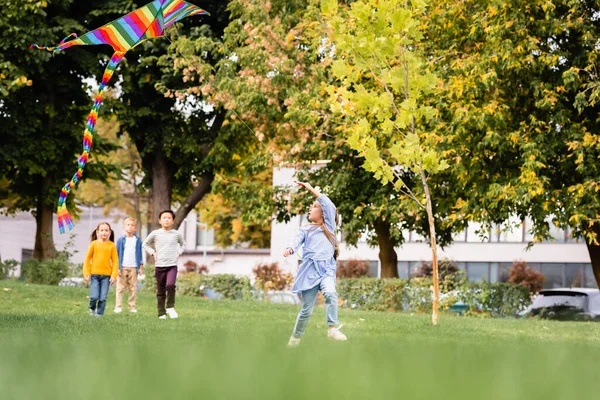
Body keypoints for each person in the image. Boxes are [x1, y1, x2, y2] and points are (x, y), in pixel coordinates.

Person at [284, 181, 347, 347]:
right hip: (309, 272)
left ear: (323, 213)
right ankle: (295, 338)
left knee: (331, 294)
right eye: (311, 207)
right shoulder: (305, 229)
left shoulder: (329, 228)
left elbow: (329, 205)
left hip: (326, 271)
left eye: (314, 206)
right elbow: (296, 240)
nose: (310, 209)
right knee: (306, 310)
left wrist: (311, 189)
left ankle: (332, 328)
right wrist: (290, 248)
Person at [142, 210, 186, 319]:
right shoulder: (155, 233)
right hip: (159, 266)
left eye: (169, 218)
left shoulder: (176, 234)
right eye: (164, 218)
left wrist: (179, 252)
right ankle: (161, 313)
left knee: (170, 285)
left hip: (172, 265)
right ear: (160, 220)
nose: (166, 219)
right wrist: (153, 253)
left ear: (172, 221)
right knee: (161, 290)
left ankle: (170, 306)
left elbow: (183, 244)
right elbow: (145, 244)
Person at [83, 222, 118, 317]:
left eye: (106, 230)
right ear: (97, 232)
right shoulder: (93, 244)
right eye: (102, 230)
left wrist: (114, 275)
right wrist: (86, 273)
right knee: (94, 297)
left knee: (103, 298)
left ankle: (99, 315)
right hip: (94, 275)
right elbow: (87, 259)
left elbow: (115, 262)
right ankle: (92, 308)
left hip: (106, 277)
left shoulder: (112, 246)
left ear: (110, 232)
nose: (104, 232)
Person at [114, 217, 143, 313]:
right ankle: (118, 306)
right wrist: (117, 268)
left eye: (132, 225)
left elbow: (140, 254)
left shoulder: (138, 240)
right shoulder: (120, 240)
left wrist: (140, 267)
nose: (130, 227)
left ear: (135, 228)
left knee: (133, 288)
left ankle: (132, 306)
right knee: (120, 288)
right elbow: (116, 255)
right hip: (123, 267)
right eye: (128, 225)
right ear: (124, 227)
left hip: (134, 267)